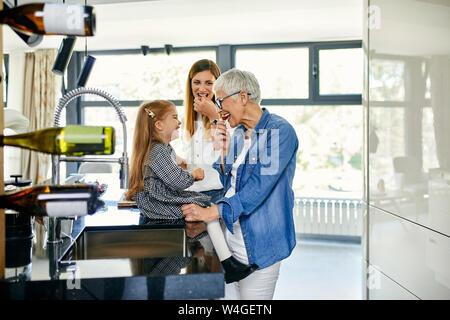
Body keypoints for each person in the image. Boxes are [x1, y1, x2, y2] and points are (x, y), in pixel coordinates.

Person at [181, 69, 299, 300]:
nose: (219, 108)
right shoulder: (238, 134)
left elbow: (258, 188)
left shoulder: (279, 132)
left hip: (261, 247)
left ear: (243, 97)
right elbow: (229, 184)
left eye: (220, 100)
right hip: (231, 242)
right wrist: (224, 153)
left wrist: (212, 212)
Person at [125, 100, 256, 283]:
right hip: (158, 204)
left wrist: (181, 164)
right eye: (175, 117)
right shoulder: (158, 151)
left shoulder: (160, 149)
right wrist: (193, 175)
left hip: (158, 201)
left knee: (205, 205)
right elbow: (177, 180)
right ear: (159, 125)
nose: (179, 122)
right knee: (205, 208)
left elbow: (168, 169)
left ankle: (228, 262)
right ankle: (229, 263)